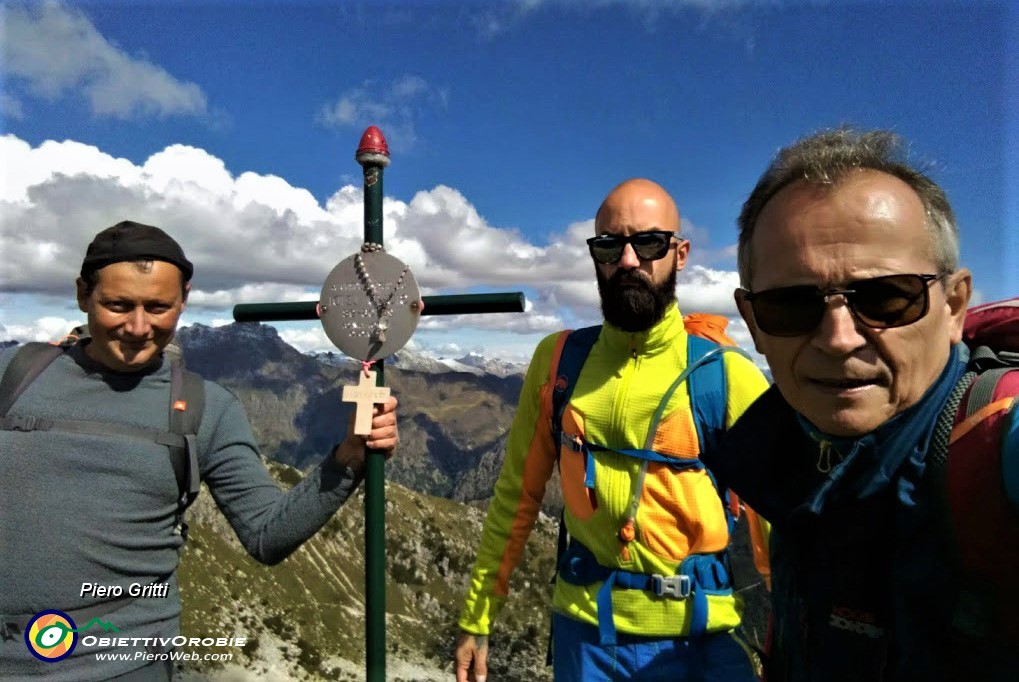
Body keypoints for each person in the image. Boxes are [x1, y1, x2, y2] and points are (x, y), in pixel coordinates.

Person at [0, 221, 399, 680]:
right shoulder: (15, 372)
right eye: (117, 305)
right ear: (82, 295)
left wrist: (349, 457)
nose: (138, 326)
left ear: (183, 300)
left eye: (158, 307)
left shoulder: (208, 408)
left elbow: (266, 534)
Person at [703, 127, 1016, 680]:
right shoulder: (784, 452)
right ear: (752, 322)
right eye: (792, 304)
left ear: (954, 306)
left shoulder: (996, 445)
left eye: (887, 296)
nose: (839, 337)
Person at [454, 179, 770, 681]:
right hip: (586, 639)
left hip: (701, 639)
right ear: (595, 255)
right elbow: (517, 493)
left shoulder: (726, 375)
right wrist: (478, 615)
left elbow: (780, 524)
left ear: (680, 253)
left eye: (649, 243)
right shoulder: (557, 361)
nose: (627, 261)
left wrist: (798, 636)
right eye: (609, 245)